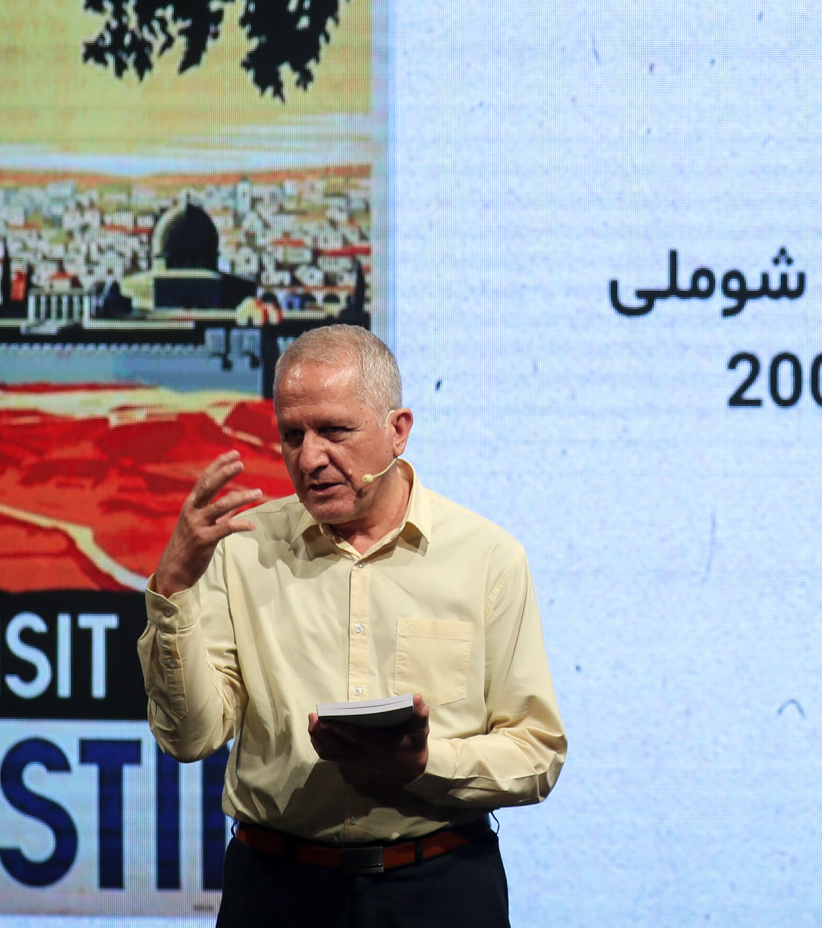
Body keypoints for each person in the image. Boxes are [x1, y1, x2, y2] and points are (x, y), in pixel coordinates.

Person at [139, 325, 565, 925]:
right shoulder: (241, 551)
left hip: (440, 889)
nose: (309, 458)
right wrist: (173, 591)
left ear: (398, 430)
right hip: (277, 891)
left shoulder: (487, 558)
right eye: (292, 436)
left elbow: (536, 752)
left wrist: (424, 764)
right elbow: (190, 740)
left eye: (334, 431)